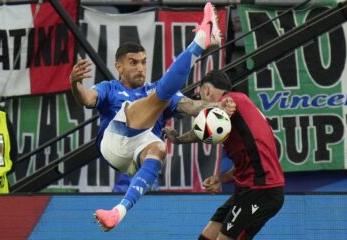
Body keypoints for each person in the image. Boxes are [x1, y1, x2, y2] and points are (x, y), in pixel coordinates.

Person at [69, 2, 234, 231]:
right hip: (114, 144)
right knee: (157, 97)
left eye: (144, 62)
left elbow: (190, 106)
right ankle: (198, 43)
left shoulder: (155, 89)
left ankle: (118, 212)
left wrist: (216, 106)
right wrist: (75, 83)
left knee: (160, 148)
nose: (140, 68)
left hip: (138, 156)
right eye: (133, 63)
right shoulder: (109, 88)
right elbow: (87, 99)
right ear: (119, 66)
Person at [163, 70, 285, 240]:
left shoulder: (230, 101)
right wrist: (221, 178)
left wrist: (178, 139)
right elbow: (251, 160)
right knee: (207, 237)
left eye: (201, 95)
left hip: (262, 191)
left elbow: (197, 116)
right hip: (248, 189)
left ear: (206, 91)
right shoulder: (238, 110)